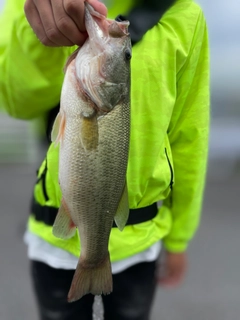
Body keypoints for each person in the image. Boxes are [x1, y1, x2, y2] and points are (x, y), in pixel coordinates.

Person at [0, 0, 210, 319]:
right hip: (52, 240)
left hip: (142, 239)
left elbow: (190, 138)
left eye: (124, 53)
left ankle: (93, 259)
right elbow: (18, 102)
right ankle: (92, 257)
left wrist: (179, 237)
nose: (118, 40)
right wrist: (38, 31)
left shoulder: (185, 15)